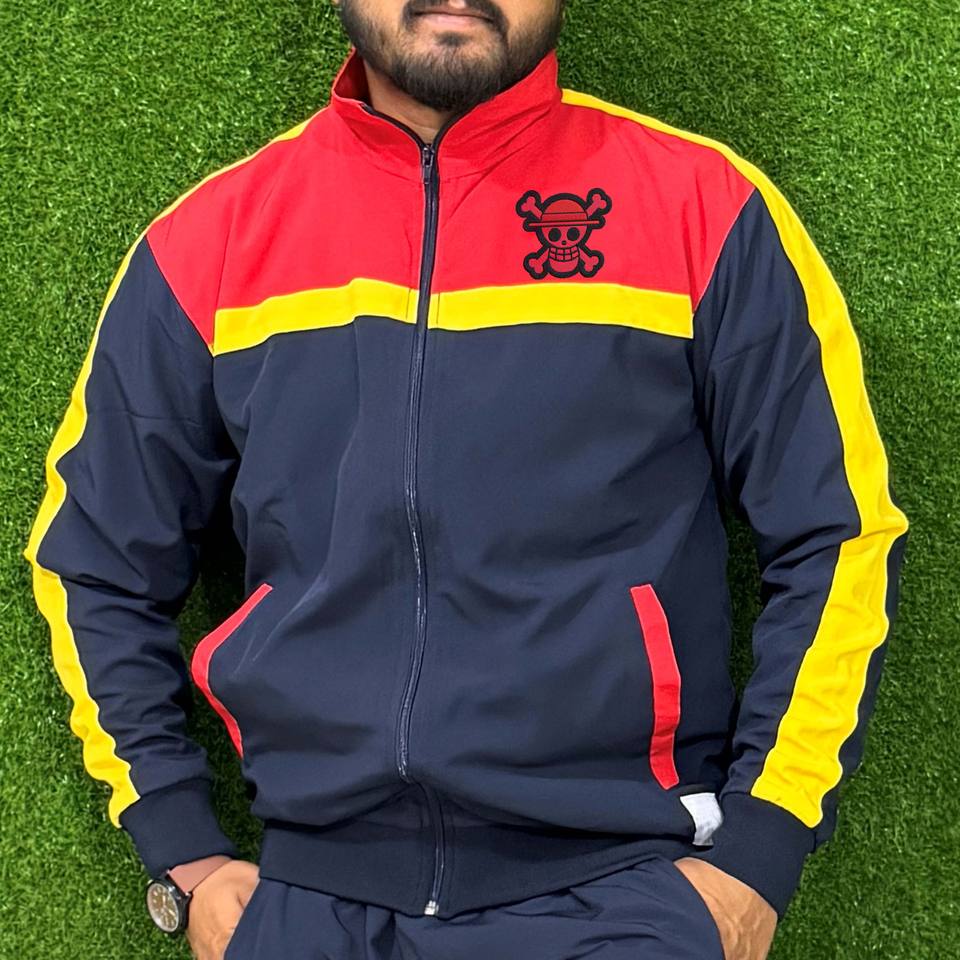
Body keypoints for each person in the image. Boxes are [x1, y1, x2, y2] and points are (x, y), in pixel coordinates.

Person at [22, 0, 909, 957]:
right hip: (309, 907)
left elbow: (837, 534)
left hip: (622, 902)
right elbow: (93, 561)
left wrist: (758, 856)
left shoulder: (702, 205)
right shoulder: (211, 240)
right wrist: (185, 852)